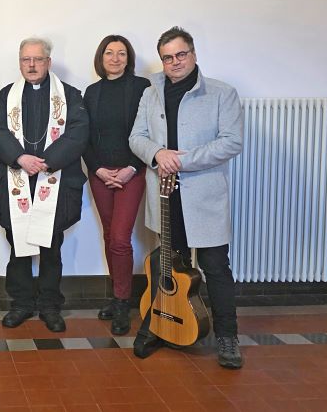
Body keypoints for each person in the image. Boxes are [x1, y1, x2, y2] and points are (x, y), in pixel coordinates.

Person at [129, 26, 244, 368]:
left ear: (193, 54)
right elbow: (136, 137)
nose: (175, 62)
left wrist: (181, 160)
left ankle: (227, 337)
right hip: (165, 196)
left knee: (215, 268)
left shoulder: (222, 93)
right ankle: (163, 325)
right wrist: (157, 153)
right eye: (167, 57)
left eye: (181, 54)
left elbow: (232, 142)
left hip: (204, 197)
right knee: (170, 266)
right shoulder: (151, 92)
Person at [0, 37, 88, 332]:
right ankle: (20, 303)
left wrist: (46, 162)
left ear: (48, 62)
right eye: (26, 60)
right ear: (20, 63)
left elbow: (79, 133)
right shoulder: (7, 95)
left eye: (38, 59)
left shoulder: (69, 96)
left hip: (55, 179)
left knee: (51, 246)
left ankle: (49, 305)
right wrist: (20, 158)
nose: (31, 65)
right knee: (17, 244)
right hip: (15, 179)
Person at [83, 35, 150, 336]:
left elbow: (149, 131)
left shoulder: (141, 88)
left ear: (128, 58)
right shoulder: (92, 92)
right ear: (101, 58)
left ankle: (123, 302)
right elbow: (85, 137)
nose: (115, 58)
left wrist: (131, 168)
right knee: (110, 235)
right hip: (100, 174)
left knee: (121, 238)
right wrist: (98, 169)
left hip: (131, 173)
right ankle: (116, 295)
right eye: (109, 53)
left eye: (121, 53)